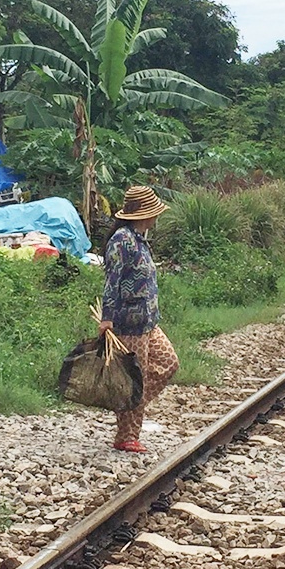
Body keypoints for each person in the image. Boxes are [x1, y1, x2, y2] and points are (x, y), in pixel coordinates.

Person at [99, 184, 179, 453]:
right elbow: (112, 281)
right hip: (128, 323)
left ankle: (133, 406)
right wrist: (106, 318)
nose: (157, 218)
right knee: (134, 378)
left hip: (148, 322)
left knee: (168, 363)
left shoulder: (139, 239)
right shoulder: (122, 240)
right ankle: (127, 435)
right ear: (144, 214)